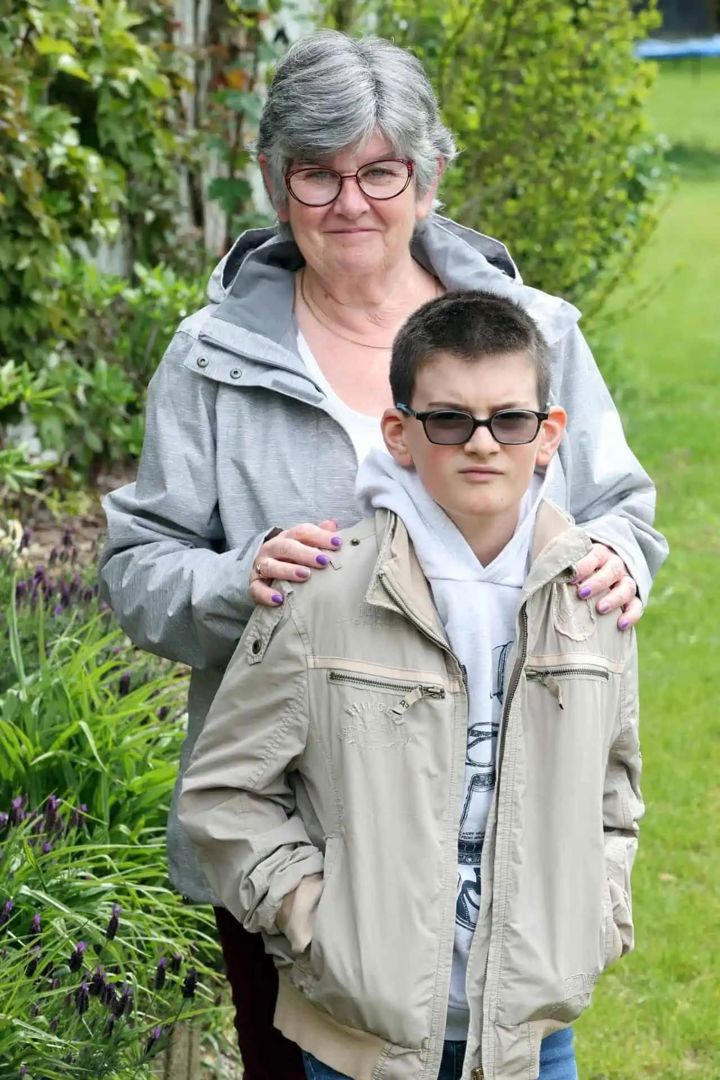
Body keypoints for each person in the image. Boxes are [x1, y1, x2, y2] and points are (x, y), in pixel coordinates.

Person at [99, 30, 666, 1080]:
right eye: (315, 174)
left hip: (510, 834)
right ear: (274, 183)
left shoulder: (531, 335)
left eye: (380, 171)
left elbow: (621, 509)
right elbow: (136, 568)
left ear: (430, 175)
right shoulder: (214, 358)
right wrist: (234, 579)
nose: (349, 202)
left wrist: (621, 557)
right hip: (301, 843)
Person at [178, 290, 644, 1080]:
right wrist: (314, 918)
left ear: (548, 435)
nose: (482, 444)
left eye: (510, 420)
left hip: (531, 1037)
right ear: (399, 432)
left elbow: (615, 789)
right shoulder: (323, 594)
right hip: (361, 1039)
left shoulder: (590, 596)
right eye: (449, 420)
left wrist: (597, 914)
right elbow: (224, 791)